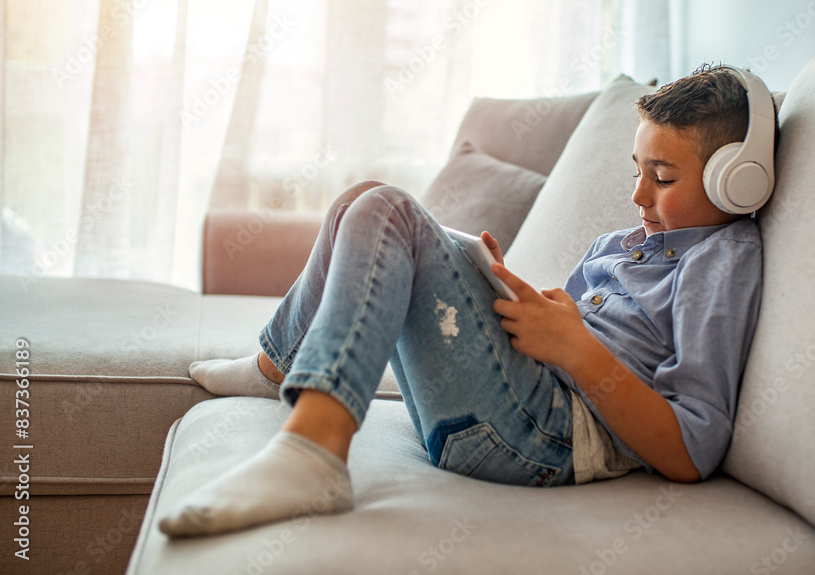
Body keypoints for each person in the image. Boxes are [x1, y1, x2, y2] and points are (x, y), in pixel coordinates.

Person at [159, 64, 774, 538]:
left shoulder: (721, 259)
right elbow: (563, 335)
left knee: (389, 209)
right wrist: (505, 294)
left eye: (663, 178)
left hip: (547, 436)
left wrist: (578, 350)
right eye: (635, 171)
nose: (639, 195)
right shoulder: (619, 244)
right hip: (521, 398)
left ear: (735, 178)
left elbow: (693, 451)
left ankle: (314, 452)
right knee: (364, 199)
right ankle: (277, 365)